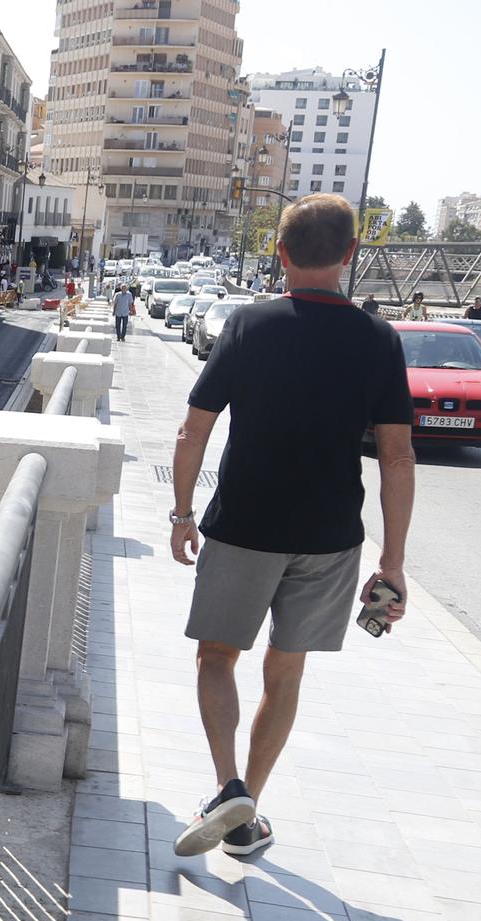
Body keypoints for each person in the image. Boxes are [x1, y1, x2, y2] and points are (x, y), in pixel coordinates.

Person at [168, 194, 414, 858]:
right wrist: (392, 563)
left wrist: (183, 513)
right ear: (349, 257)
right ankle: (249, 815)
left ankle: (229, 790)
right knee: (287, 670)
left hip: (244, 523)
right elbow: (396, 454)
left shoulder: (249, 326)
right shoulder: (380, 340)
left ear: (279, 253)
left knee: (217, 658)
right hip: (332, 538)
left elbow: (195, 428)